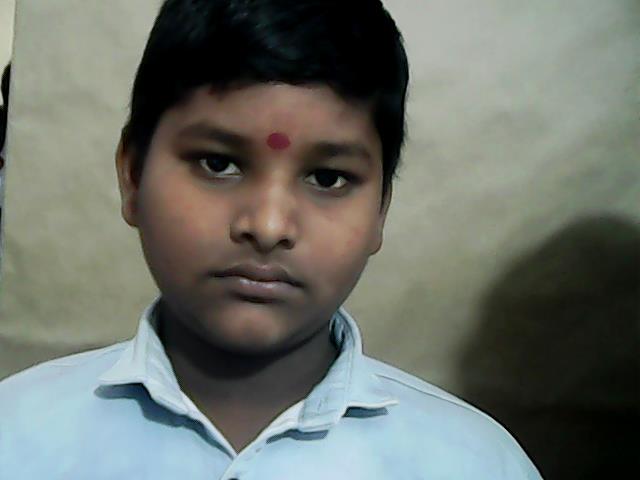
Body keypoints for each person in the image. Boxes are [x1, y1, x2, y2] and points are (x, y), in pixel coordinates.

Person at [0, 1, 542, 478]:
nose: (268, 226)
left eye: (327, 177)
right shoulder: (16, 434)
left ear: (381, 209)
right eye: (219, 163)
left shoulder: (476, 464)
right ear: (133, 176)